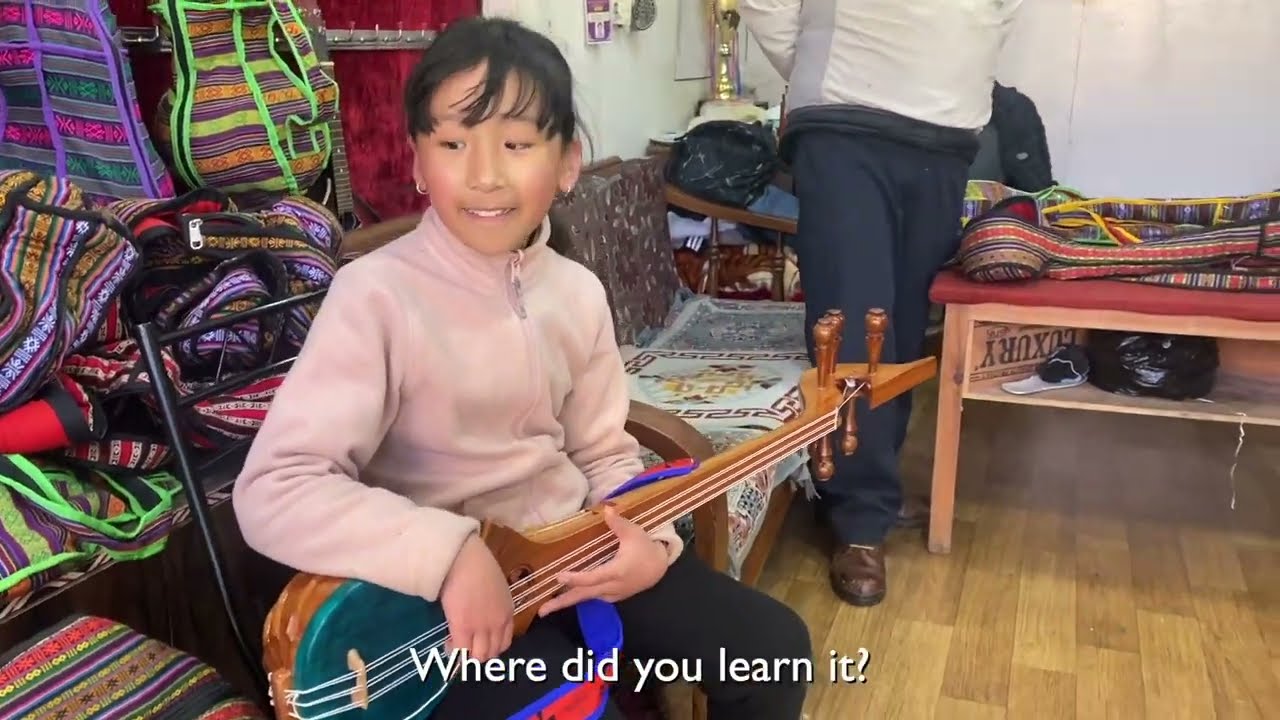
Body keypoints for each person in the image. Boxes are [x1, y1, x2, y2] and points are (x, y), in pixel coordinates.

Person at [232, 16, 810, 720]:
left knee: (774, 648)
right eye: (452, 144)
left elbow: (603, 451)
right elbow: (274, 490)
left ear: (566, 162)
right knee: (577, 703)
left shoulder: (575, 291)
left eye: (516, 144)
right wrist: (449, 552)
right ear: (416, 162)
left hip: (577, 556)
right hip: (442, 610)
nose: (484, 174)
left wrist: (649, 544)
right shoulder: (376, 296)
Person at [739, 0, 1025, 606]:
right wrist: (827, 62)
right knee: (853, 318)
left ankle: (872, 486)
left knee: (903, 324)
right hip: (847, 122)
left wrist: (957, 66)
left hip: (947, 133)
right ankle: (859, 517)